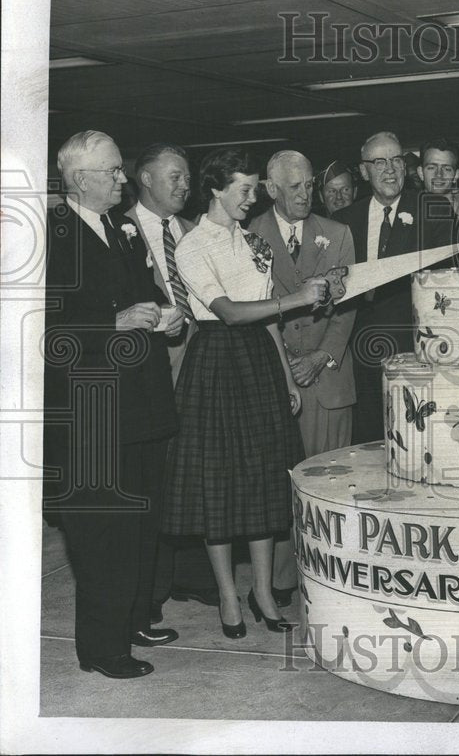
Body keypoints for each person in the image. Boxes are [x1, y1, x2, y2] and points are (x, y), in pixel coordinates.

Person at [161, 147, 335, 638]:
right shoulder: (193, 246)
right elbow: (231, 312)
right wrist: (298, 297)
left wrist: (284, 379)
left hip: (259, 359)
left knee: (262, 481)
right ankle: (227, 595)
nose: (252, 197)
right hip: (217, 361)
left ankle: (262, 592)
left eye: (255, 188)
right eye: (244, 188)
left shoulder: (253, 241)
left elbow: (267, 320)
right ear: (215, 190)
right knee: (220, 486)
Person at [44, 130, 180, 678]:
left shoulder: (121, 228)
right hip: (93, 412)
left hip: (142, 403)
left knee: (144, 521)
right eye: (114, 171)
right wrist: (112, 324)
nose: (123, 179)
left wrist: (168, 314)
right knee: (104, 533)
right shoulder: (51, 235)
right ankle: (102, 650)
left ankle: (135, 617)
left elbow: (146, 291)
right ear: (81, 179)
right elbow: (40, 331)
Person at [118, 141, 220, 626]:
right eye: (175, 177)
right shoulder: (121, 231)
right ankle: (151, 592)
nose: (185, 185)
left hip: (197, 367)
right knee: (157, 481)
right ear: (146, 180)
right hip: (155, 373)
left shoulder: (190, 230)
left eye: (187, 177)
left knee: (196, 474)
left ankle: (193, 576)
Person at [251, 150, 357, 607]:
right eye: (294, 187)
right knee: (276, 485)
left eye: (309, 185)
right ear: (271, 189)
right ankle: (279, 583)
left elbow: (348, 304)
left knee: (327, 491)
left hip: (327, 379)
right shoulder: (247, 233)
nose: (304, 194)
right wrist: (285, 367)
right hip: (273, 377)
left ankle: (329, 584)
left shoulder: (337, 234)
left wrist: (320, 356)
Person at [335, 131, 459, 444]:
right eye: (379, 162)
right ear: (364, 172)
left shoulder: (434, 209)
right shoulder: (343, 221)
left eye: (396, 161)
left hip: (415, 350)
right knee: (369, 442)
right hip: (362, 357)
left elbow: (450, 284)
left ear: (406, 168)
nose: (390, 169)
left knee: (416, 439)